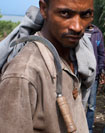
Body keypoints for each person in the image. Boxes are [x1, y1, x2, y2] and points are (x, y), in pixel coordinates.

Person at [0, 0, 95, 132]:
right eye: (65, 13)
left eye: (85, 15)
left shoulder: (78, 58)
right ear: (44, 9)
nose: (77, 27)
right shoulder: (24, 73)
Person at [81, 24, 105, 133]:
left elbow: (101, 53)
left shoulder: (97, 33)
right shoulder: (79, 31)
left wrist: (100, 70)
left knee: (91, 105)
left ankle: (89, 129)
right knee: (79, 103)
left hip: (94, 76)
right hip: (79, 76)